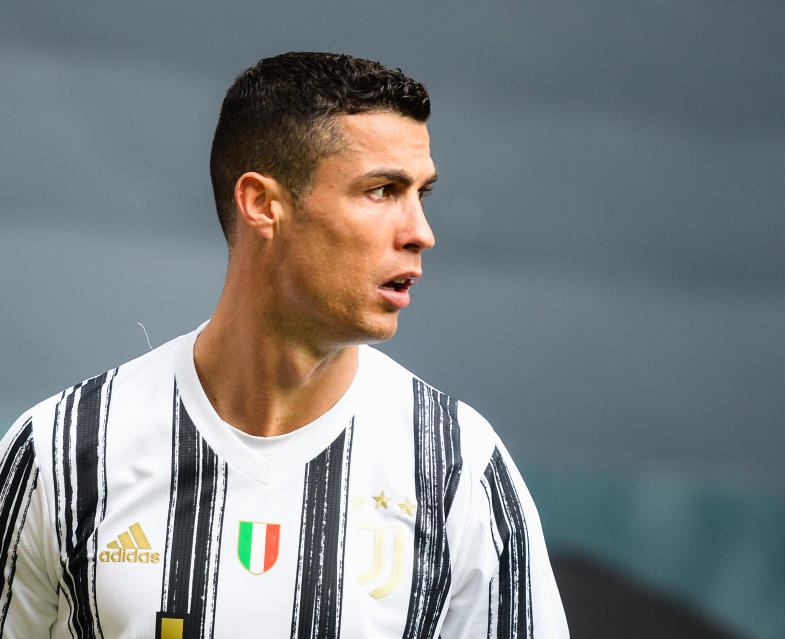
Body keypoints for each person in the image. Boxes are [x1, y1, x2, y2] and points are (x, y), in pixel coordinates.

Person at [0, 52, 568, 638]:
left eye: (422, 193)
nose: (420, 232)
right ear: (262, 204)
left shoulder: (457, 469)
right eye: (382, 191)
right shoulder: (61, 451)